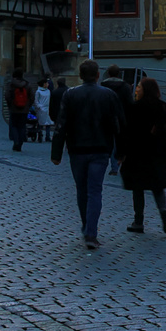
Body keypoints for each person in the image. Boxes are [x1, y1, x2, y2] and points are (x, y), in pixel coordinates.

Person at [50, 59, 125, 249]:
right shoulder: (108, 95)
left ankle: (87, 226)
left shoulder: (71, 95)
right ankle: (91, 232)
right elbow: (118, 125)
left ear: (80, 75)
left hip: (77, 149)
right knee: (94, 190)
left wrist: (56, 152)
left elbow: (61, 125)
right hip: (100, 149)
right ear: (98, 75)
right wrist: (121, 151)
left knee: (82, 190)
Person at [120, 77, 166, 234]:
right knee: (157, 187)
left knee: (138, 189)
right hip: (158, 153)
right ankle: (163, 212)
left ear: (145, 89)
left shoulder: (135, 108)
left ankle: (138, 221)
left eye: (139, 87)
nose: (137, 89)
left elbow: (127, 133)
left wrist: (121, 153)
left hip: (138, 154)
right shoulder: (162, 107)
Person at [101, 66, 134, 175]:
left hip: (106, 117)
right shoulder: (125, 87)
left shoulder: (102, 86)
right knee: (118, 141)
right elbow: (129, 103)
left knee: (107, 141)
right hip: (121, 117)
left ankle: (111, 165)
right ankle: (117, 165)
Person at [5, 70, 31, 152]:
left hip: (14, 109)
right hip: (24, 110)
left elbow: (7, 96)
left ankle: (16, 141)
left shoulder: (11, 84)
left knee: (14, 126)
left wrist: (10, 105)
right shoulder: (27, 84)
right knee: (22, 126)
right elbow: (32, 96)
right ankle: (20, 142)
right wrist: (27, 106)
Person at [34, 79, 53, 143]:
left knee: (48, 123)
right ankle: (40, 135)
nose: (48, 84)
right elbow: (36, 101)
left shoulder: (48, 91)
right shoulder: (38, 91)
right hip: (41, 109)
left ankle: (47, 136)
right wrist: (39, 107)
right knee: (40, 123)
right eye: (46, 83)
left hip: (47, 108)